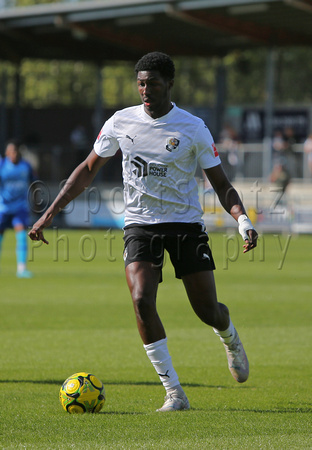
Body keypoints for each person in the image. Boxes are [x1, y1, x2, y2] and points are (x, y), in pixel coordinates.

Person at [28, 52, 258, 412]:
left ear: (169, 83)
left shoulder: (193, 127)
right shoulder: (121, 122)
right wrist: (50, 212)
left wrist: (242, 220)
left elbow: (221, 184)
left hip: (185, 225)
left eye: (151, 82)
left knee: (207, 310)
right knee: (140, 300)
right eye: (140, 83)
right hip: (140, 225)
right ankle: (174, 393)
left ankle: (229, 337)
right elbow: (88, 169)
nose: (144, 89)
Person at [0, 139, 37, 277]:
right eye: (11, 151)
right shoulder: (2, 165)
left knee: (22, 235)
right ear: (7, 153)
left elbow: (34, 184)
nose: (14, 154)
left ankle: (21, 269)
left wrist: (36, 202)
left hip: (20, 206)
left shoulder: (25, 166)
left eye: (16, 151)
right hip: (3, 207)